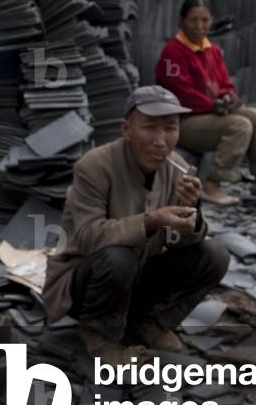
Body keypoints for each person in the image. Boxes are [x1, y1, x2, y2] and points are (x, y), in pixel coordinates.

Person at [41, 86, 231, 365]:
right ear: (126, 130)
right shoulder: (93, 166)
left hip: (136, 276)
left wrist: (193, 213)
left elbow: (177, 242)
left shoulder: (175, 167)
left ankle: (150, 322)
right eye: (150, 128)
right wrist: (151, 220)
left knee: (215, 255)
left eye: (170, 128)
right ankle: (99, 334)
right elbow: (87, 237)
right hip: (86, 283)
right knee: (119, 255)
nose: (160, 141)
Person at [155, 0, 256, 206]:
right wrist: (213, 104)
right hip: (184, 121)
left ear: (212, 20)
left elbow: (225, 82)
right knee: (240, 125)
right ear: (181, 21)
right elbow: (181, 93)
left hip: (212, 114)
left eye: (204, 20)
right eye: (193, 20)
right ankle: (212, 185)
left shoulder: (212, 50)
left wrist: (229, 97)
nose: (199, 26)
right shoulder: (172, 53)